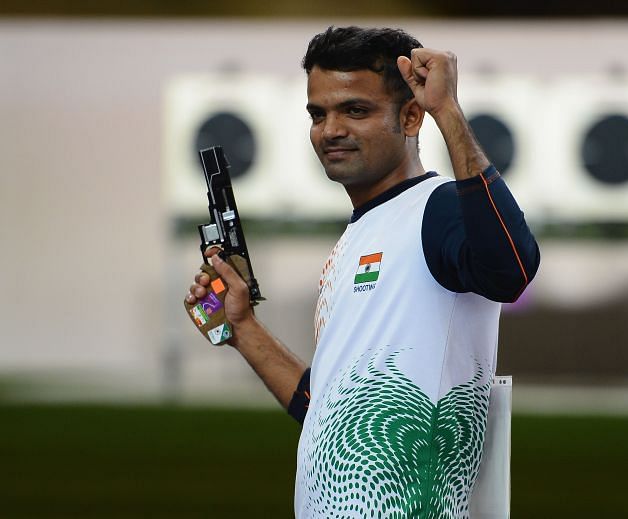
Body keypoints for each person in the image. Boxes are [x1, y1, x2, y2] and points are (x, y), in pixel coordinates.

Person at [186, 26, 540, 518]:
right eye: (318, 113)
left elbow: (513, 268)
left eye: (355, 110)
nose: (330, 129)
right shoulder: (359, 234)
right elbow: (328, 411)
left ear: (412, 115)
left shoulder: (436, 208)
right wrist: (242, 328)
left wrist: (449, 113)